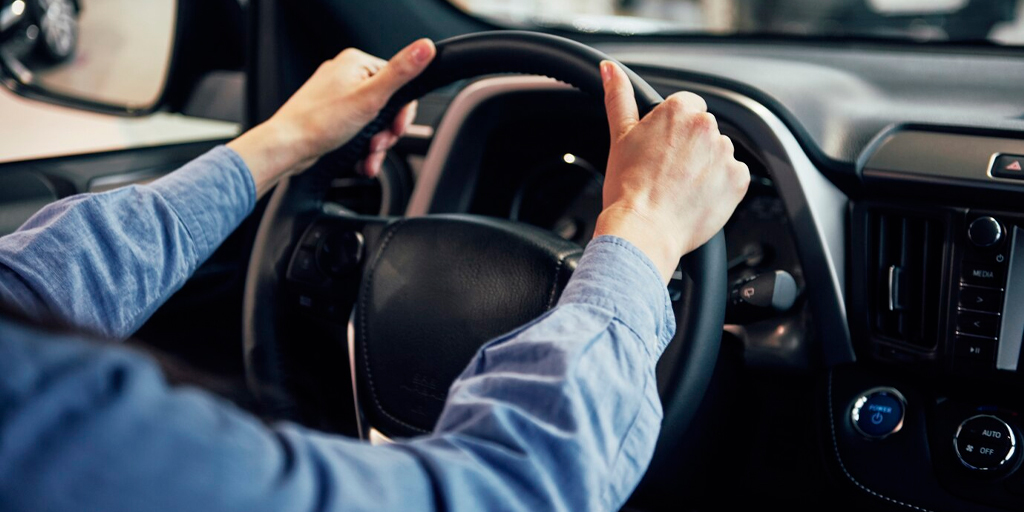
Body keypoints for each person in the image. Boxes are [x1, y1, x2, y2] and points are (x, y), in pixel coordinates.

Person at [0, 38, 748, 511]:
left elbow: (30, 289)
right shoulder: (55, 436)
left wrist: (283, 143)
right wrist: (642, 231)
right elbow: (503, 490)